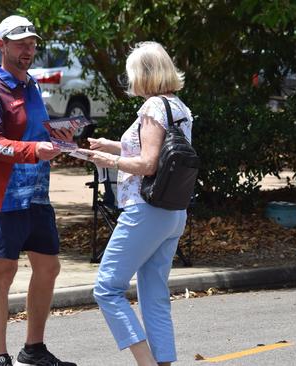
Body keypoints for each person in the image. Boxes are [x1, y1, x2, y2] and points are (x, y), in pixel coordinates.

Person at [79, 41, 193, 365]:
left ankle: (146, 363)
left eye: (132, 75)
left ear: (144, 75)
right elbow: (156, 151)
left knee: (106, 288)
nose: (130, 83)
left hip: (146, 211)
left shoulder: (151, 108)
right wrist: (111, 146)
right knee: (155, 296)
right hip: (173, 213)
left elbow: (148, 164)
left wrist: (108, 160)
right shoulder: (178, 107)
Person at [0, 15, 77, 366]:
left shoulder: (30, 84)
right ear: (2, 46)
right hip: (5, 196)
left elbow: (34, 132)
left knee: (48, 267)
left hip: (37, 193)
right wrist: (33, 151)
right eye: (20, 44)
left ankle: (33, 349)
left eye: (31, 44)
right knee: (4, 272)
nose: (28, 50)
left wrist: (60, 141)